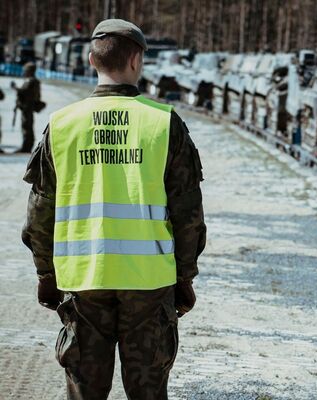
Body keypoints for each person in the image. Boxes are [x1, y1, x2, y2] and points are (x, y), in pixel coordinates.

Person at [21, 19, 206, 400]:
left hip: (83, 281)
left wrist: (46, 274)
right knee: (148, 391)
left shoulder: (62, 125)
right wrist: (184, 278)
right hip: (150, 284)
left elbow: (40, 214)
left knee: (85, 392)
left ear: (91, 61)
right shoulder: (163, 123)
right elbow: (188, 214)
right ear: (137, 60)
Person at [10, 62, 40, 153]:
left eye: (25, 70)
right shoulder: (31, 81)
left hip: (28, 108)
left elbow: (24, 92)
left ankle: (26, 147)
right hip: (26, 107)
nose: (24, 72)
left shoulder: (31, 81)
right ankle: (26, 146)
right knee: (26, 126)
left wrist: (15, 88)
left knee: (27, 126)